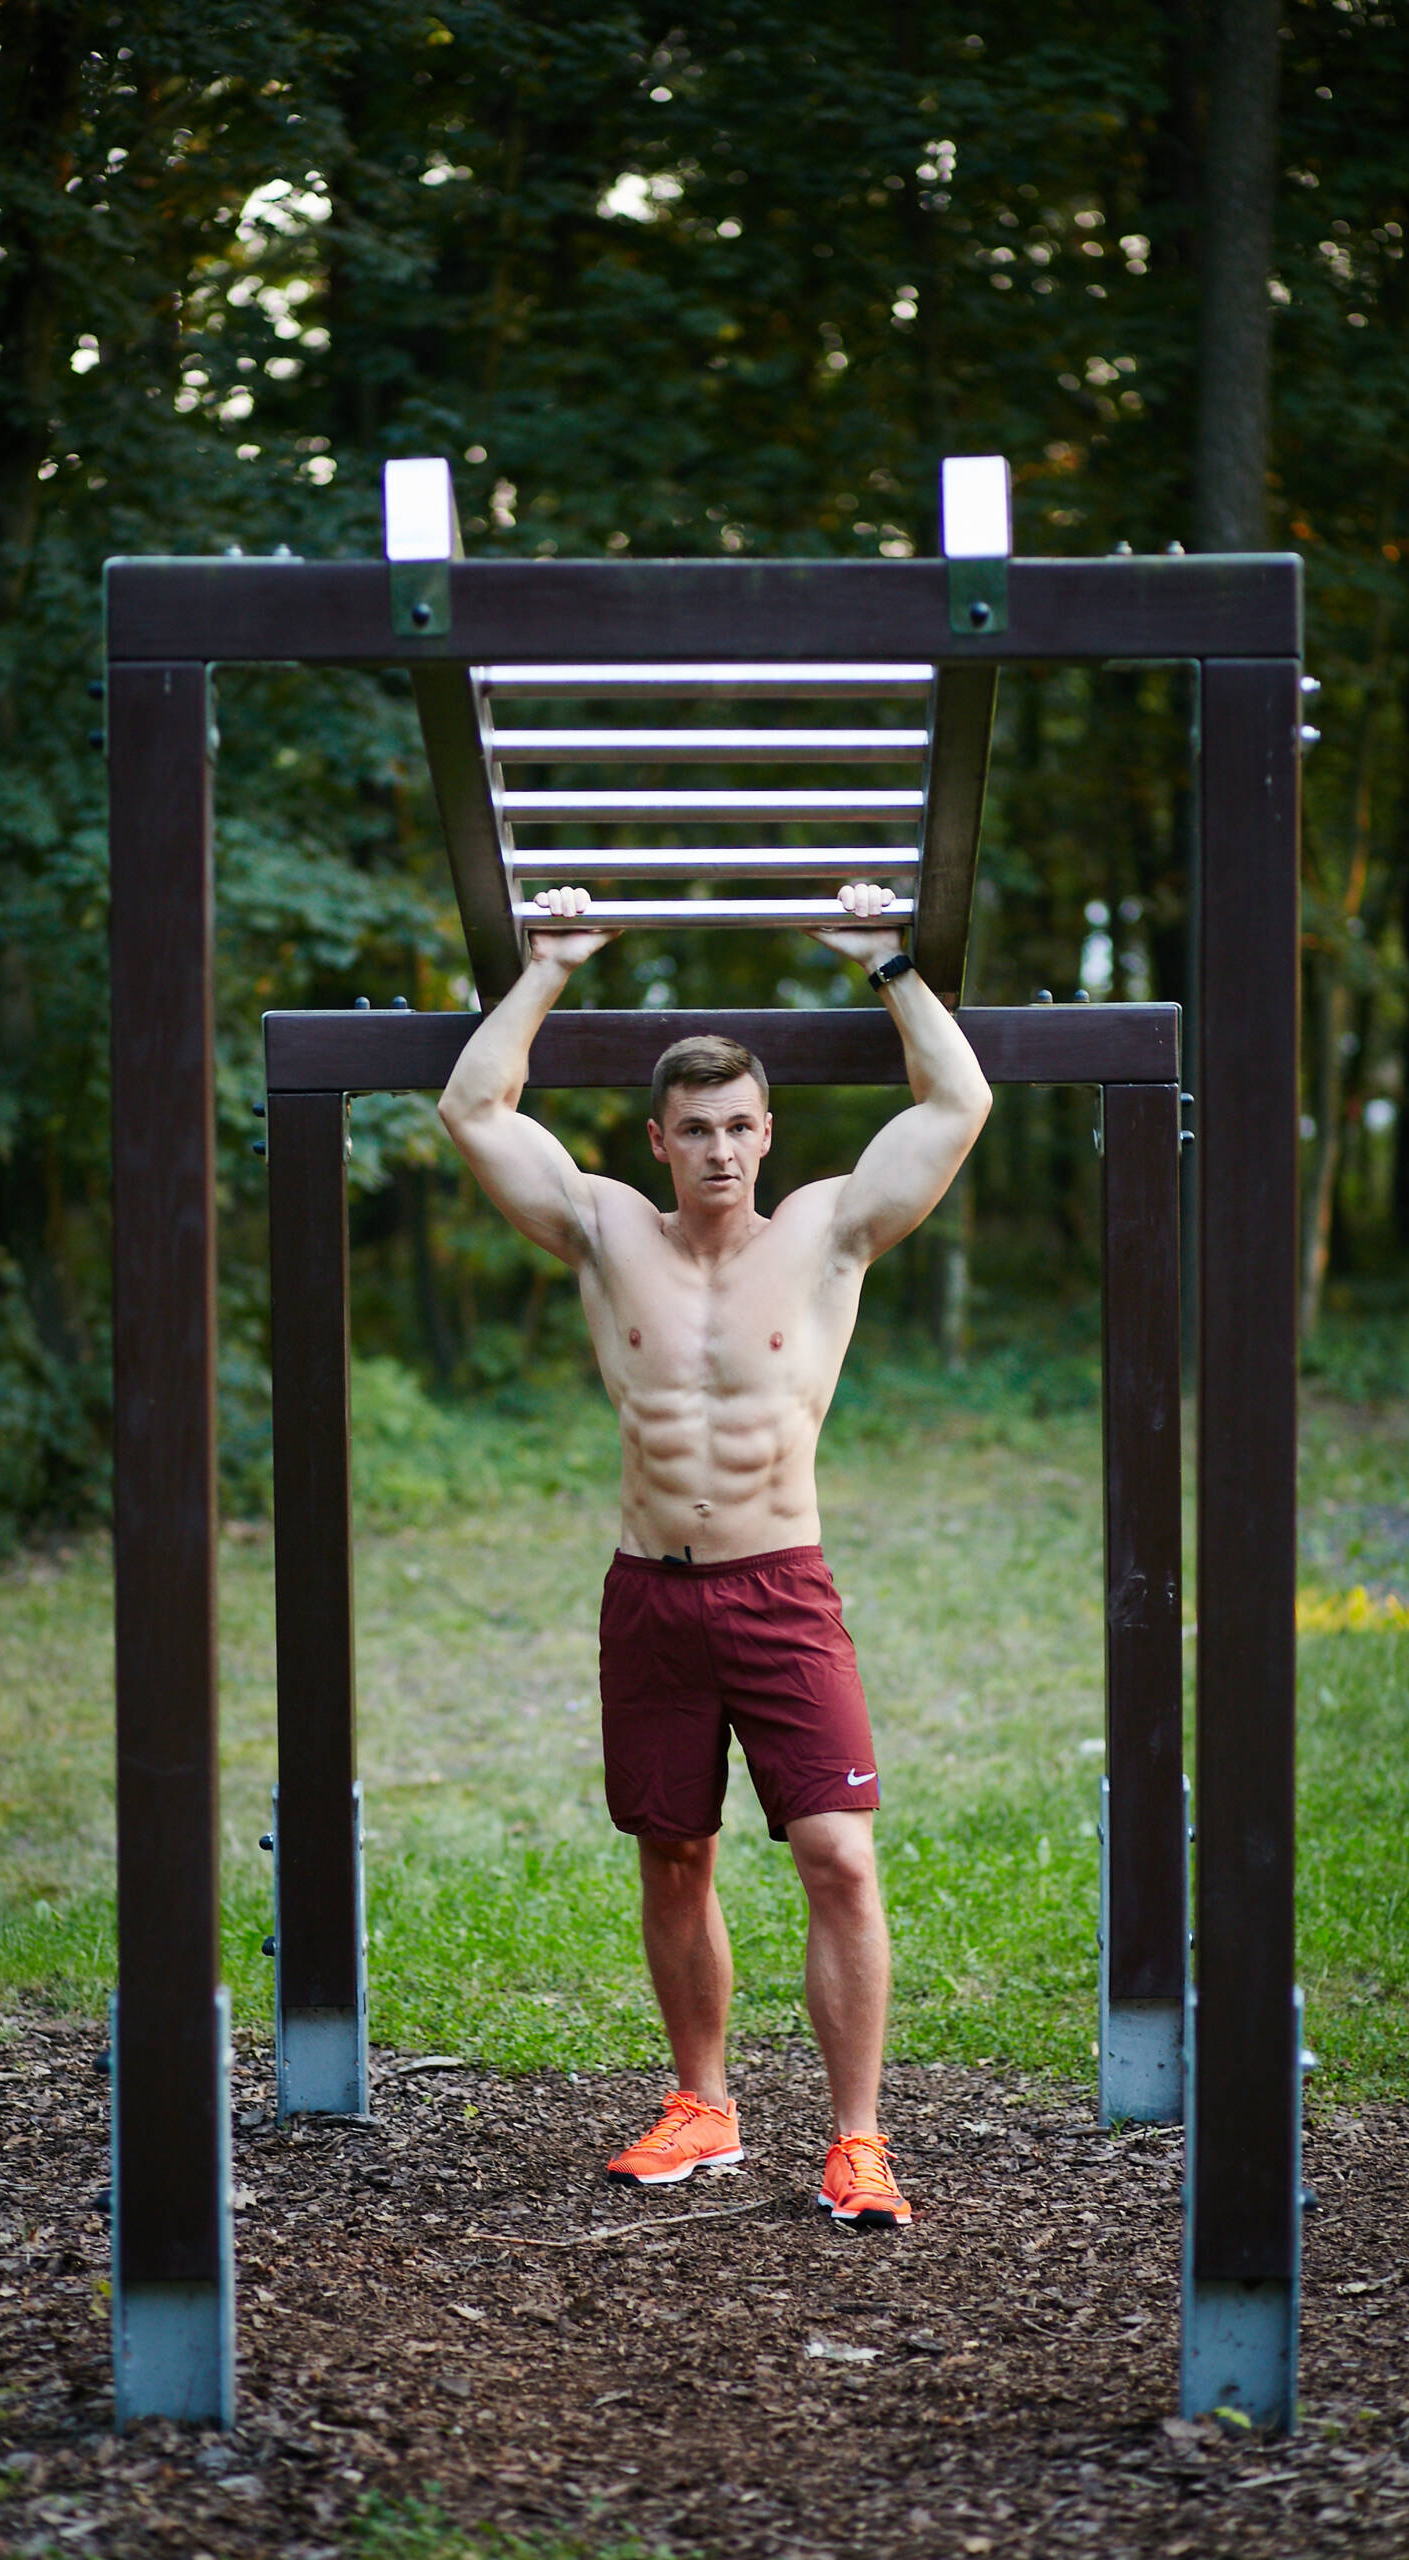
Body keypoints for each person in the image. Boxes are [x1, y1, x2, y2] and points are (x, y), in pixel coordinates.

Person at [437, 882, 991, 2230]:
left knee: (837, 1855)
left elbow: (956, 1101)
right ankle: (702, 2105)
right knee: (673, 1853)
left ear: (768, 1131)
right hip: (650, 1595)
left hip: (779, 1588)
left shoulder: (826, 1232)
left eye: (741, 1124)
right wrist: (552, 964)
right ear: (659, 1140)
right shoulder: (604, 1227)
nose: (721, 1149)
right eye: (695, 1129)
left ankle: (856, 2139)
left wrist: (888, 966)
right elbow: (472, 1109)